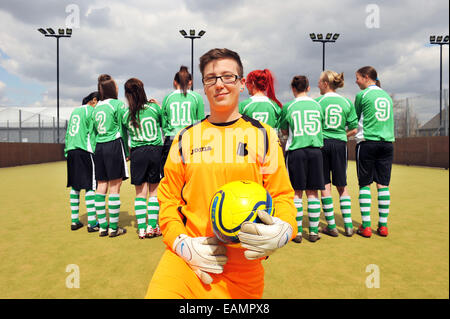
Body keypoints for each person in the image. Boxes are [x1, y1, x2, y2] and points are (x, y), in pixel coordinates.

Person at [145, 48, 296, 299]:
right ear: (203, 86)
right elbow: (168, 199)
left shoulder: (264, 135)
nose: (219, 84)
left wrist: (285, 230)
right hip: (188, 261)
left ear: (242, 83)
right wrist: (181, 244)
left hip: (243, 267)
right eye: (211, 78)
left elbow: (281, 197)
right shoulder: (185, 137)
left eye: (228, 76)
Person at [279, 75, 325, 243]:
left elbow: (284, 131)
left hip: (296, 152)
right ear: (308, 88)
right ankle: (313, 232)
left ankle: (297, 232)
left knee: (296, 192)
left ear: (293, 89)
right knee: (313, 192)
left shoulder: (288, 107)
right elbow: (322, 125)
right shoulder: (317, 105)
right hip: (315, 151)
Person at [315, 70, 358, 237]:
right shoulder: (347, 102)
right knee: (342, 186)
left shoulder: (317, 102)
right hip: (340, 145)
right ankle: (348, 226)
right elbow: (354, 128)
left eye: (320, 81)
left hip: (322, 144)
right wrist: (341, 135)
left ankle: (331, 226)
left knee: (324, 185)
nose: (318, 84)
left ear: (326, 84)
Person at [354, 66, 394, 238]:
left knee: (365, 184)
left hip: (367, 142)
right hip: (387, 144)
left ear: (366, 77)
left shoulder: (362, 95)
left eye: (357, 78)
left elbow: (355, 120)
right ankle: (383, 226)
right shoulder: (387, 96)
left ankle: (367, 226)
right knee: (383, 185)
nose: (356, 81)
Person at [123, 78, 164, 239]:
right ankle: (152, 227)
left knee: (140, 193)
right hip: (155, 151)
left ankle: (141, 228)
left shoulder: (126, 113)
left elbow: (123, 133)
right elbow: (164, 122)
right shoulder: (153, 108)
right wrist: (158, 106)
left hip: (137, 153)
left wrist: (127, 152)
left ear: (128, 94)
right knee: (154, 192)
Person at [91, 74, 129, 237]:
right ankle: (113, 227)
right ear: (111, 89)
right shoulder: (118, 104)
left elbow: (93, 132)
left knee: (101, 186)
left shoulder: (97, 107)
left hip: (99, 147)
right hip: (113, 146)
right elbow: (128, 122)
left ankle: (102, 226)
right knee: (115, 187)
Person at [160, 66, 205, 177]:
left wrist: (168, 131)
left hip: (171, 139)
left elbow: (163, 122)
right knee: (190, 176)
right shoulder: (197, 97)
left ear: (175, 82)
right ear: (190, 82)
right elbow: (201, 122)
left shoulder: (168, 98)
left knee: (170, 177)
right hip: (190, 140)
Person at [64, 92, 99, 232]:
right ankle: (92, 223)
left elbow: (68, 132)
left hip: (71, 149)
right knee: (90, 186)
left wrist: (66, 150)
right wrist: (96, 152)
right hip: (85, 150)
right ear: (94, 100)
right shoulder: (90, 111)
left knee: (75, 186)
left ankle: (74, 221)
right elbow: (93, 133)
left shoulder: (75, 111)